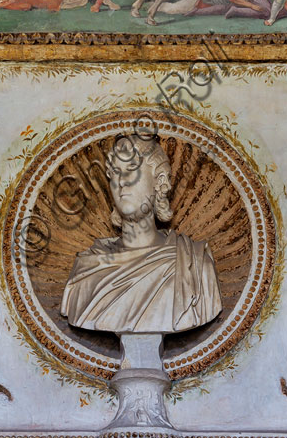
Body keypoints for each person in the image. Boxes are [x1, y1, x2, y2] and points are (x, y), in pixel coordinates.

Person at [60, 135, 222, 333]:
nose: (121, 183)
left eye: (131, 171)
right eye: (115, 173)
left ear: (159, 181)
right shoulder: (87, 270)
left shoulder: (194, 265)